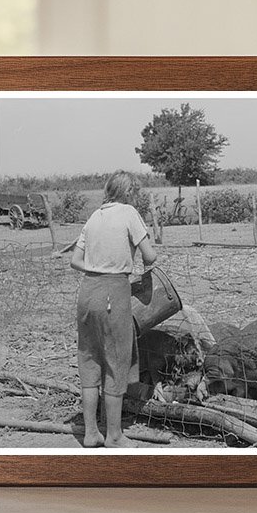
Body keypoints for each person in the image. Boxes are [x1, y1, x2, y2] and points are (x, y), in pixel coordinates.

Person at [70, 171, 157, 448]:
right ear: (129, 192)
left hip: (87, 294)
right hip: (113, 293)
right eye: (135, 193)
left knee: (89, 360)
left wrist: (97, 268)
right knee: (116, 361)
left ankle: (91, 433)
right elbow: (150, 255)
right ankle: (114, 435)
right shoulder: (129, 213)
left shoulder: (95, 217)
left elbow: (75, 260)